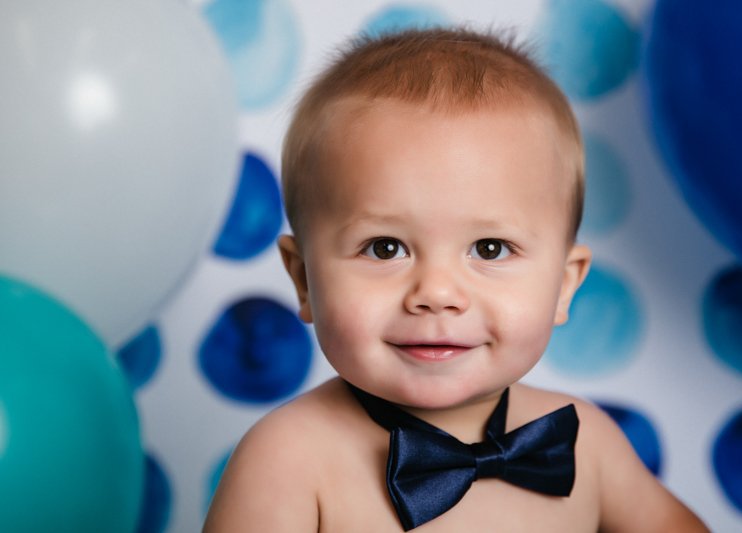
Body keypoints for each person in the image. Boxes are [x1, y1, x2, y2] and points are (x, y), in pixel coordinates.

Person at [203, 27, 709, 532]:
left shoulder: (583, 443)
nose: (437, 294)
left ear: (563, 285)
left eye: (490, 249)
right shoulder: (289, 461)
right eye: (385, 248)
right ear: (304, 279)